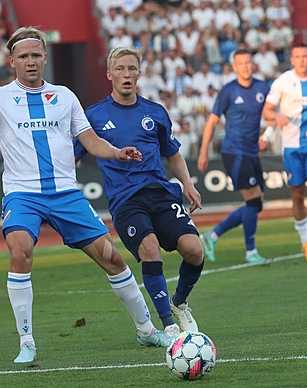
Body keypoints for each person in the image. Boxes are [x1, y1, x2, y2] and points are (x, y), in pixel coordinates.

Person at [0, 27, 172, 364]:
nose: (31, 61)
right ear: (12, 60)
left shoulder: (65, 96)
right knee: (20, 252)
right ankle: (27, 341)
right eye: (24, 56)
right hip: (22, 194)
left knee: (113, 259)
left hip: (65, 194)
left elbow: (89, 141)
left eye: (36, 55)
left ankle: (146, 330)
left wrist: (116, 153)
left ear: (45, 58)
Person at [74, 47, 204, 338]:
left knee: (195, 251)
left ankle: (179, 303)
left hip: (160, 192)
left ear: (140, 73)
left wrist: (188, 183)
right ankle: (168, 326)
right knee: (150, 249)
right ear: (109, 74)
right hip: (125, 200)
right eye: (119, 69)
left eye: (132, 68)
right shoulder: (93, 116)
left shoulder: (155, 112)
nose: (126, 74)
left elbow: (172, 153)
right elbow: (74, 157)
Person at [197, 49, 271, 265]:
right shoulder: (228, 91)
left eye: (248, 62)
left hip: (252, 152)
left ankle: (213, 235)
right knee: (253, 200)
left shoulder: (262, 87)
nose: (246, 66)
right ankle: (250, 252)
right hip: (234, 152)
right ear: (235, 67)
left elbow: (272, 112)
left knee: (256, 204)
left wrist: (268, 135)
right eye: (241, 63)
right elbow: (212, 122)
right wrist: (203, 152)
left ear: (252, 64)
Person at [262, 43, 307, 262]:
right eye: (298, 57)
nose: (302, 60)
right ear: (292, 60)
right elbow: (266, 110)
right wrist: (276, 117)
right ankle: (305, 242)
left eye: (305, 56)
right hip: (291, 146)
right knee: (298, 193)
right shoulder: (282, 82)